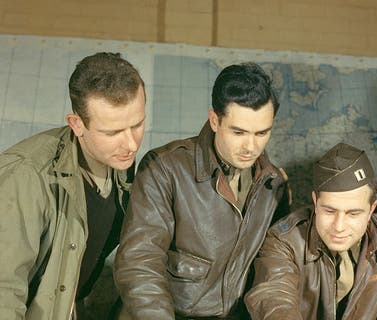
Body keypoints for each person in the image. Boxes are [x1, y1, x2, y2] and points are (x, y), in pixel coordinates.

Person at [114, 62, 290, 319]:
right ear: (214, 120)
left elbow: (273, 270)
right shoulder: (164, 168)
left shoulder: (274, 186)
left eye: (262, 133)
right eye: (239, 132)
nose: (251, 146)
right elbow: (140, 263)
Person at [0, 52, 146, 319]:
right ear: (77, 124)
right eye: (112, 133)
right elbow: (4, 290)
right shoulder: (26, 177)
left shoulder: (121, 166)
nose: (131, 144)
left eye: (137, 125)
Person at [245, 142, 377, 320]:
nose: (339, 226)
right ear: (315, 202)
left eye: (353, 213)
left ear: (371, 209)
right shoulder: (284, 240)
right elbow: (273, 298)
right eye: (329, 210)